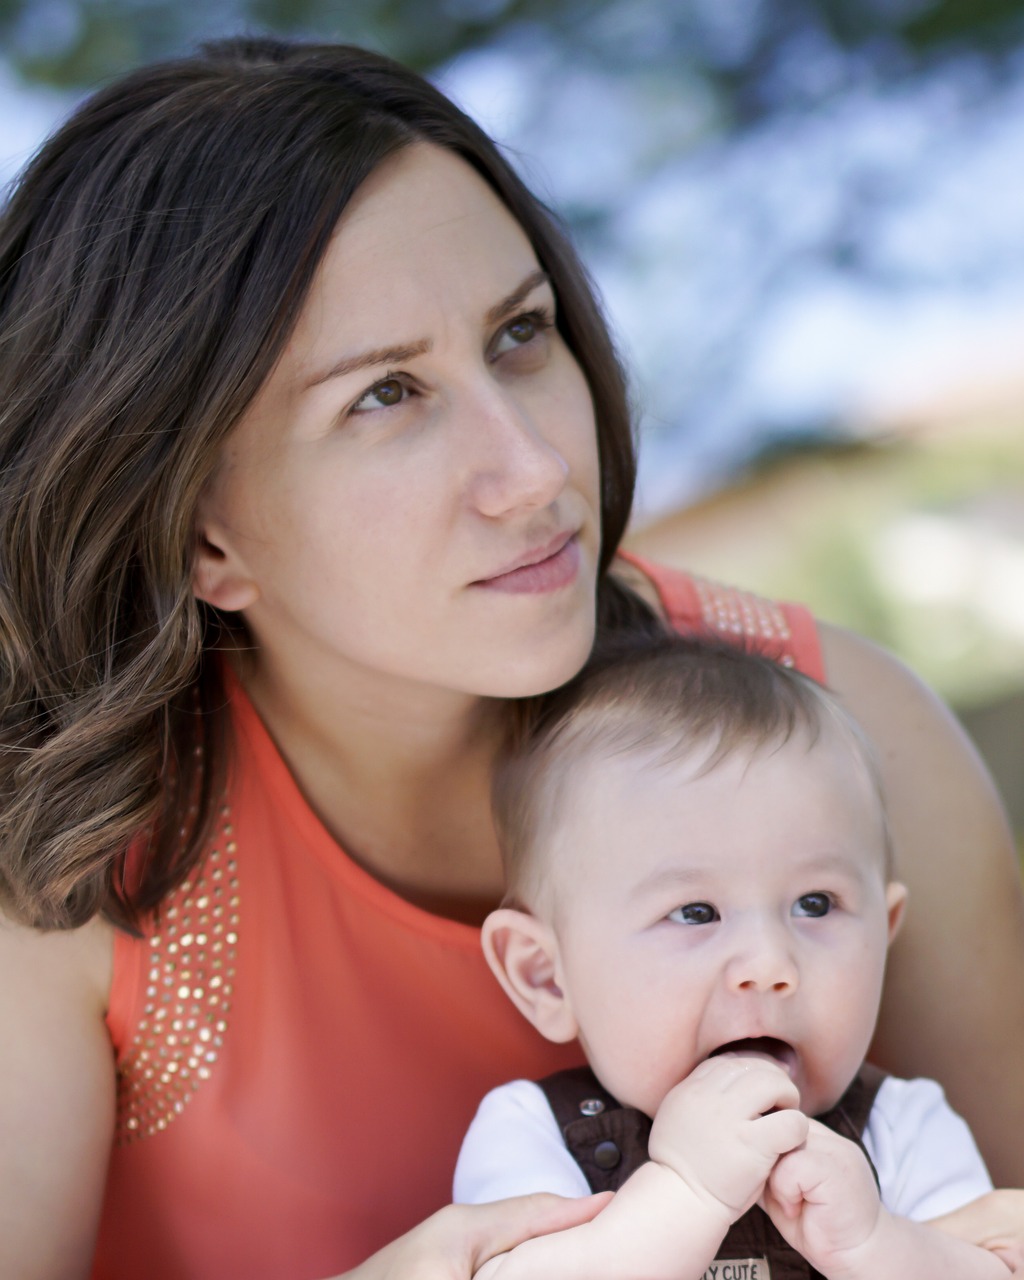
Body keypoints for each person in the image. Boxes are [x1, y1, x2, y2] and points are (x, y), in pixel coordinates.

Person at [0, 32, 1022, 1280]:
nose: (536, 470)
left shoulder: (848, 728)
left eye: (520, 334)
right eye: (385, 394)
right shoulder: (60, 863)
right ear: (204, 534)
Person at [455, 634, 1009, 1278]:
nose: (769, 964)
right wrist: (688, 1194)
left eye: (815, 904)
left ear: (883, 934)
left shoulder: (904, 1128)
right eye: (696, 913)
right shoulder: (532, 1132)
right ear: (546, 976)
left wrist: (875, 1243)